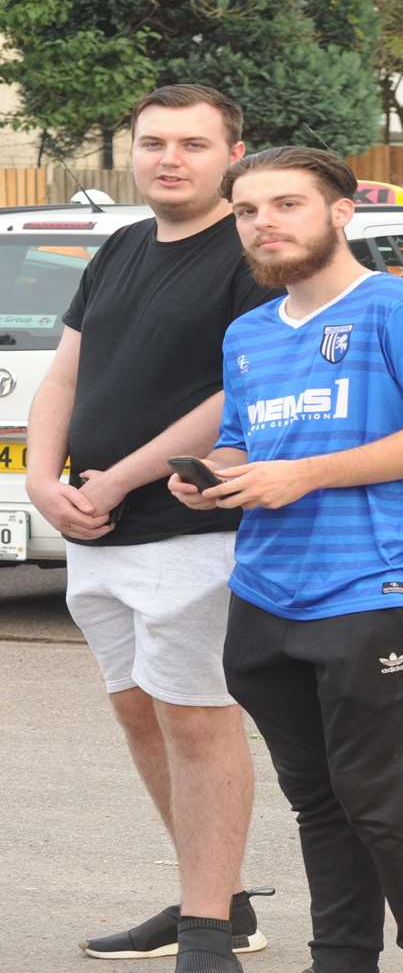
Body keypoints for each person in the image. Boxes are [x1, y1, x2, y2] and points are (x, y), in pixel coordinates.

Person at [171, 147, 403, 972]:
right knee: (316, 801)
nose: (264, 224)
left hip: (375, 586)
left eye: (286, 205)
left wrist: (302, 474)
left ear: (340, 213)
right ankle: (340, 958)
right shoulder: (248, 332)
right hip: (266, 593)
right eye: (247, 211)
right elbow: (245, 441)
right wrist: (217, 480)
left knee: (385, 801)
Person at [26, 84, 278, 970]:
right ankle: (222, 899)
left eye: (193, 144)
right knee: (139, 713)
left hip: (189, 525)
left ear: (233, 152)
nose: (169, 159)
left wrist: (120, 480)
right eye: (153, 142)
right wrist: (41, 479)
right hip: (99, 529)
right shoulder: (122, 245)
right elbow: (65, 376)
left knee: (197, 719)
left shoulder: (249, 254)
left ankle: (207, 930)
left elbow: (236, 396)